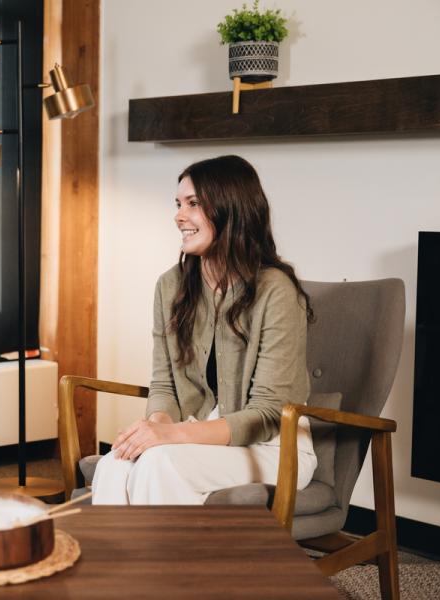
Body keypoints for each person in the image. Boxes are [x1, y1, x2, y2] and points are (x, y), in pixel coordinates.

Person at [92, 155, 317, 505]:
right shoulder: (171, 285)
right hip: (198, 437)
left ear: (231, 209)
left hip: (275, 448)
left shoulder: (276, 291)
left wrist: (171, 436)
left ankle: (169, 560)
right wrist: (158, 425)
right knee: (114, 465)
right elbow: (164, 384)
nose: (179, 215)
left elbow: (269, 414)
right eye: (179, 204)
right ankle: (120, 561)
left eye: (194, 204)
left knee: (159, 462)